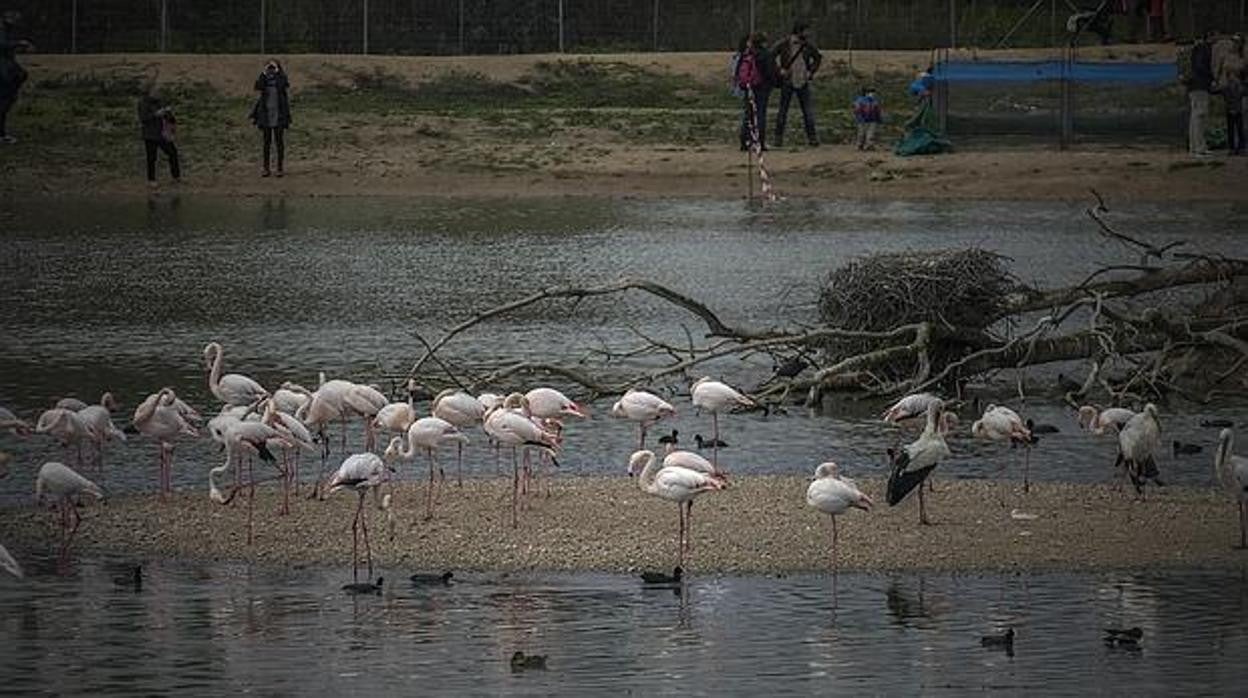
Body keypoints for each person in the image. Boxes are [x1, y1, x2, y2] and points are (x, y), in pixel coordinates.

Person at [772, 21, 822, 147]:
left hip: (803, 81)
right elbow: (770, 56)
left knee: (807, 111)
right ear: (799, 31)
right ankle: (778, 138)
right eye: (806, 30)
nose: (808, 33)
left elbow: (817, 58)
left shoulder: (808, 45)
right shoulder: (784, 43)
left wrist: (811, 71)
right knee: (783, 111)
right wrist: (779, 70)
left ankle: (812, 138)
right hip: (787, 81)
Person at [735, 33, 778, 152]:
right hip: (762, 88)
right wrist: (776, 83)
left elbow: (738, 71)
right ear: (763, 42)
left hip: (748, 87)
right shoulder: (765, 55)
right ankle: (760, 142)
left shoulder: (746, 55)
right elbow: (770, 72)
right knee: (760, 115)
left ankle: (744, 142)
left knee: (748, 114)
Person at [250, 59, 291, 177]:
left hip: (279, 116)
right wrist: (263, 72)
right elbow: (258, 86)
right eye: (270, 67)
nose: (271, 70)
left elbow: (284, 84)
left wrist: (278, 71)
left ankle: (279, 168)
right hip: (266, 116)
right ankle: (266, 168)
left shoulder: (280, 79)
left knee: (279, 142)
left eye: (273, 67)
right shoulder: (264, 80)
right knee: (266, 143)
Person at [0, 10, 34, 144]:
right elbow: (2, 45)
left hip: (6, 69)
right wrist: (19, 43)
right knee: (4, 101)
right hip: (4, 71)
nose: (15, 21)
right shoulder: (2, 30)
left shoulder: (6, 31)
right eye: (13, 18)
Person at [138, 84, 181, 187]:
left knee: (173, 152)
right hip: (150, 135)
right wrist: (156, 114)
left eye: (159, 92)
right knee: (151, 158)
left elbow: (170, 118)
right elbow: (143, 118)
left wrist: (169, 114)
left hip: (162, 134)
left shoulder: (160, 102)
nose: (159, 93)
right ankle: (151, 180)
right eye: (156, 92)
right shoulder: (143, 103)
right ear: (150, 92)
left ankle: (176, 177)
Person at [1215, 34, 1246, 155]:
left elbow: (1243, 72)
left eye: (1236, 42)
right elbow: (1219, 70)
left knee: (1239, 118)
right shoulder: (1225, 56)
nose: (1234, 44)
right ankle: (1232, 146)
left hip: (1238, 88)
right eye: (1233, 42)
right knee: (1230, 119)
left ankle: (1241, 146)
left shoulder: (1242, 57)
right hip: (1227, 87)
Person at [1187, 32, 1214, 156]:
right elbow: (1200, 66)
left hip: (1193, 85)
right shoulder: (1203, 49)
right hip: (1200, 85)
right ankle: (1199, 148)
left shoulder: (1195, 49)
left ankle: (1194, 146)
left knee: (1195, 116)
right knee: (1200, 116)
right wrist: (1211, 77)